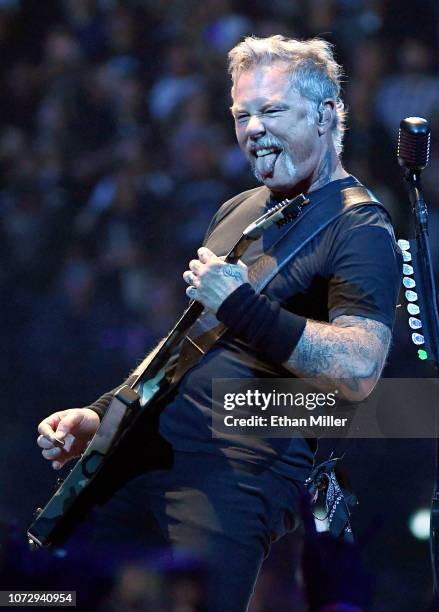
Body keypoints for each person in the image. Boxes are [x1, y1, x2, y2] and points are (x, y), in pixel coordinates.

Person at [37, 35, 402, 611]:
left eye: (272, 110)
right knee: (42, 596)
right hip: (137, 452)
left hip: (232, 474)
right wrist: (102, 412)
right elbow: (189, 339)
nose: (253, 128)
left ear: (327, 115)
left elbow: (360, 367)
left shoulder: (361, 227)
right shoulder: (241, 209)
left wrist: (243, 307)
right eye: (242, 114)